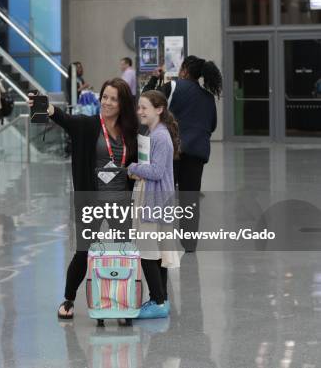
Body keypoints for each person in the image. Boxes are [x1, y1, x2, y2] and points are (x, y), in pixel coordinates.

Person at [29, 78, 138, 319]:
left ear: (123, 104)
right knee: (83, 251)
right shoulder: (88, 125)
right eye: (105, 97)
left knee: (121, 252)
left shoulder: (131, 130)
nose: (107, 102)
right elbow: (64, 119)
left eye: (113, 98)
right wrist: (45, 108)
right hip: (93, 200)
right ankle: (68, 299)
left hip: (121, 201)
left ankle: (120, 301)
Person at [143, 55, 222, 251]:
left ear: (185, 70)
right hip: (197, 153)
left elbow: (146, 103)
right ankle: (189, 244)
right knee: (190, 199)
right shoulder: (208, 96)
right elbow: (211, 126)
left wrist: (154, 79)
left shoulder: (174, 87)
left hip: (172, 152)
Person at [127, 90, 181, 319]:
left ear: (159, 109)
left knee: (148, 253)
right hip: (156, 199)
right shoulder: (156, 132)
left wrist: (132, 168)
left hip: (155, 201)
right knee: (157, 253)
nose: (140, 112)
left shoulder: (159, 136)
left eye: (144, 108)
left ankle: (158, 301)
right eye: (138, 107)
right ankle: (162, 299)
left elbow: (157, 171)